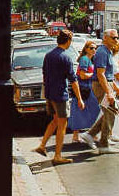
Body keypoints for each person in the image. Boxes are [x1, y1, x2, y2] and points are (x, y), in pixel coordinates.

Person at [34, 30, 85, 165]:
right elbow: (73, 80)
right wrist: (79, 98)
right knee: (62, 124)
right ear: (68, 41)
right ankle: (57, 155)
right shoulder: (66, 57)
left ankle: (42, 145)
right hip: (60, 94)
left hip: (49, 93)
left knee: (55, 120)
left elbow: (44, 73)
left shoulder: (49, 55)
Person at [80, 29, 119, 154]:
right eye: (114, 38)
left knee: (110, 111)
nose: (116, 40)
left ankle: (91, 134)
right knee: (111, 112)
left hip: (105, 83)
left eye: (117, 38)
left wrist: (114, 88)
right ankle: (103, 144)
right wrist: (108, 92)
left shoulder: (107, 51)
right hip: (101, 85)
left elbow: (107, 74)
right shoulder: (102, 52)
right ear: (105, 38)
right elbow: (100, 74)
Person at [68, 41, 100, 143]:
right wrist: (94, 74)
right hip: (84, 89)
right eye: (91, 48)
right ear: (86, 49)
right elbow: (82, 75)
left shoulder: (90, 60)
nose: (94, 50)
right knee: (85, 110)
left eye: (95, 48)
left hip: (89, 89)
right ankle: (83, 135)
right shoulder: (85, 59)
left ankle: (88, 134)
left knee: (89, 110)